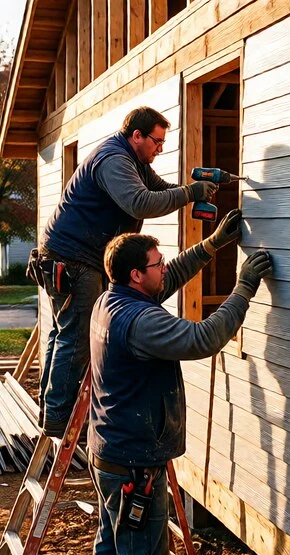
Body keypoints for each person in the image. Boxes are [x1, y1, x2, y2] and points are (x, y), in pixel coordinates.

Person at [87, 217, 273, 555]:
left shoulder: (109, 300)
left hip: (108, 451)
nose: (164, 268)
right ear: (137, 275)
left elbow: (169, 278)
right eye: (157, 263)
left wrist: (211, 245)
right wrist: (244, 287)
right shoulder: (140, 321)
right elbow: (202, 338)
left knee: (111, 545)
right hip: (134, 466)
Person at [34, 106, 218, 437]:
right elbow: (140, 202)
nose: (159, 149)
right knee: (75, 337)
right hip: (72, 258)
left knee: (63, 333)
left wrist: (192, 194)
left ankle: (51, 411)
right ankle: (59, 419)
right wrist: (191, 193)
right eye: (157, 142)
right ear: (137, 135)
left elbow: (159, 191)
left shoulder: (134, 161)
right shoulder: (114, 160)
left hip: (73, 255)